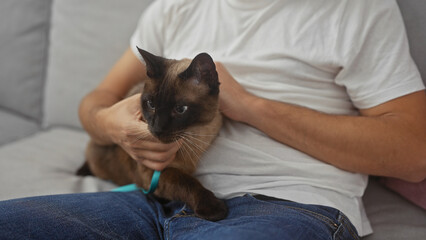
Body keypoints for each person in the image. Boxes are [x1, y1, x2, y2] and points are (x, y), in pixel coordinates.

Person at [1, 0, 425, 239]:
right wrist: (112, 126)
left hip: (283, 207)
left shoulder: (356, 8)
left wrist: (252, 107)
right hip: (151, 198)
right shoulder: (175, 7)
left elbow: (414, 153)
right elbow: (97, 101)